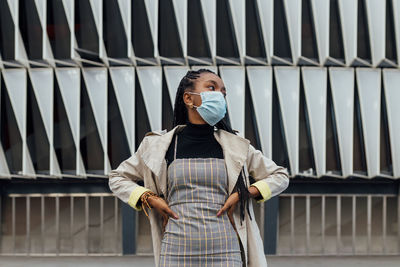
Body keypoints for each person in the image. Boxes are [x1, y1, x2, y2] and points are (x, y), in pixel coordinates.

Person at [108, 69, 290, 267]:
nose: (219, 94)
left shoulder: (235, 145)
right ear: (188, 98)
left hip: (226, 251)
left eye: (223, 92)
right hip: (176, 250)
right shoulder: (159, 145)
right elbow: (117, 178)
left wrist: (244, 193)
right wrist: (150, 199)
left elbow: (280, 175)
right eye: (211, 87)